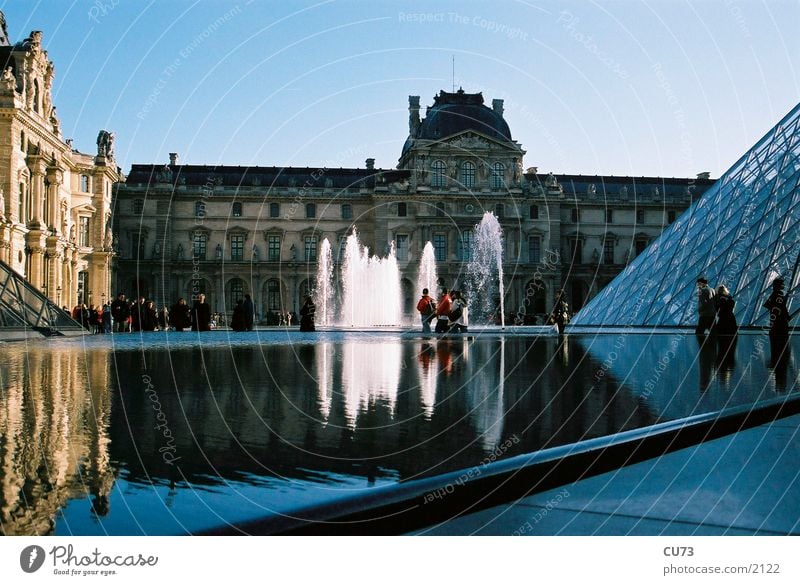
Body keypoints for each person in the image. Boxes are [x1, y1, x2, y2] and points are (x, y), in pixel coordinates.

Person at [764, 277, 790, 358]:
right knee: (782, 338)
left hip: (775, 317)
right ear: (778, 285)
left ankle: (776, 357)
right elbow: (783, 307)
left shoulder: (774, 293)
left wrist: (773, 308)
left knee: (776, 338)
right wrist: (786, 315)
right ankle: (781, 357)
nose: (783, 286)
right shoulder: (779, 294)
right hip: (781, 319)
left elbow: (767, 304)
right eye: (782, 284)